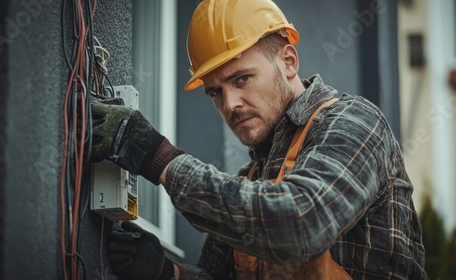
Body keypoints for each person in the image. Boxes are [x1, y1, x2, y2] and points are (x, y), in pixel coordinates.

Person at [93, 0, 427, 279]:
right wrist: (167, 272)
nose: (229, 104)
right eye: (215, 92)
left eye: (242, 78)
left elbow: (302, 223)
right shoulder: (250, 180)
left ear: (288, 62)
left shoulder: (353, 122)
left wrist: (158, 157)